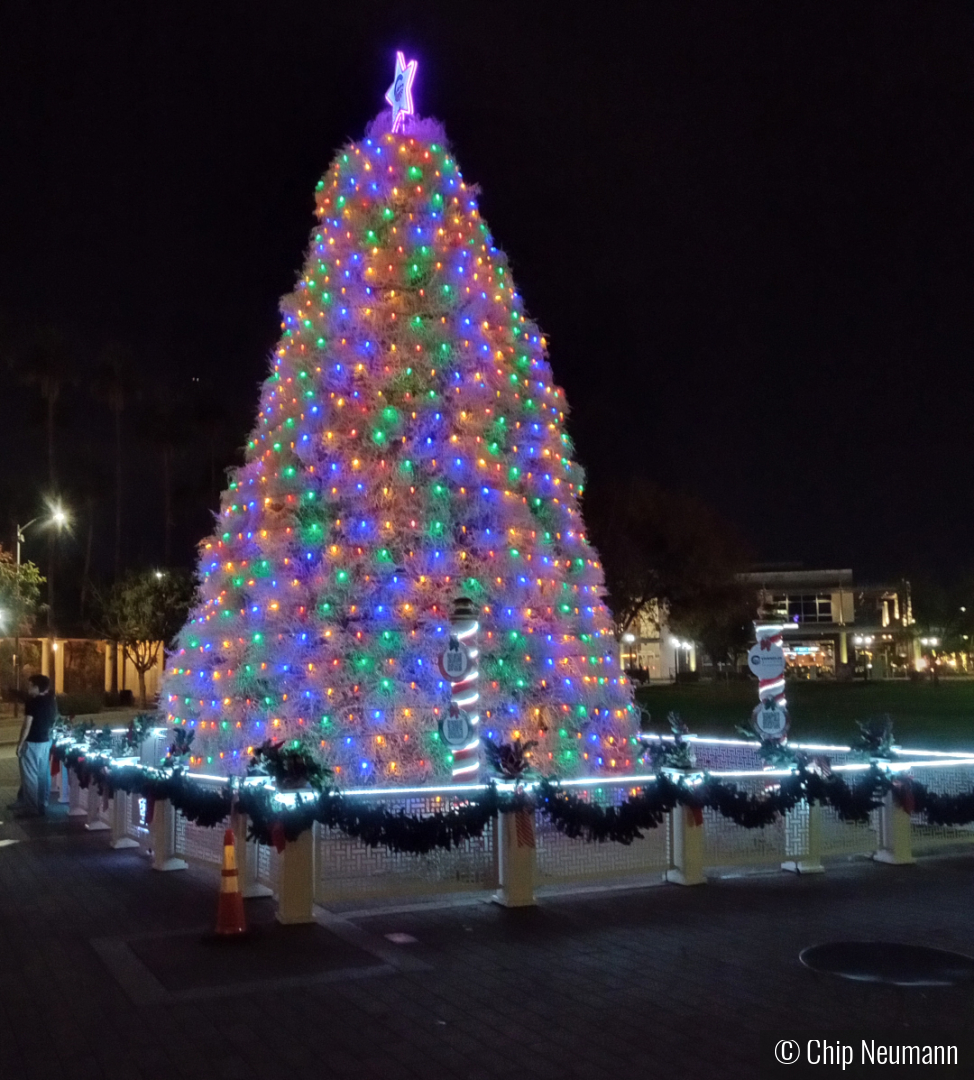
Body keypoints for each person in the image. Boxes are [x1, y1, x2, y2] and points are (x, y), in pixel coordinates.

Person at [15, 674, 57, 818]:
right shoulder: (51, 700)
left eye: (30, 685)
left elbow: (27, 725)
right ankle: (43, 803)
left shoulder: (32, 702)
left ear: (37, 687)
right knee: (43, 774)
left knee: (30, 776)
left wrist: (20, 744)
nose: (28, 688)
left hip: (32, 742)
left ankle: (31, 808)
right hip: (46, 741)